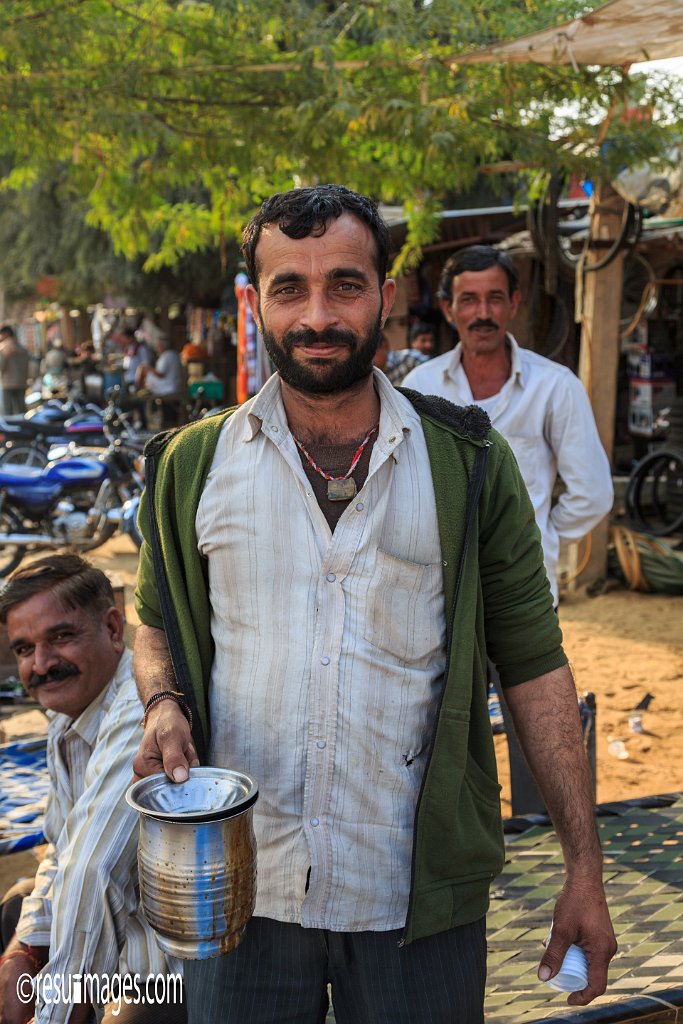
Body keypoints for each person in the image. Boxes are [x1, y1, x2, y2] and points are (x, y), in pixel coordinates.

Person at [132, 185, 616, 1024]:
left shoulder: (467, 465)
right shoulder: (192, 467)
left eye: (344, 285)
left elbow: (536, 671)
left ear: (385, 298)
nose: (317, 314)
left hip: (414, 901)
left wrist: (584, 868)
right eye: (290, 288)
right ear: (256, 304)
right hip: (245, 892)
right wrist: (163, 699)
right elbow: (151, 619)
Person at [0, 555, 184, 1024]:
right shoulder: (66, 722)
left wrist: (52, 1012)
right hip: (114, 952)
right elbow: (62, 849)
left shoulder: (137, 710)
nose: (41, 664)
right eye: (24, 650)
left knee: (132, 1013)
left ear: (113, 627)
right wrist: (22, 953)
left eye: (60, 637)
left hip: (164, 970)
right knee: (17, 908)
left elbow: (93, 871)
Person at [403, 245, 614, 606]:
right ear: (448, 309)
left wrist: (538, 537)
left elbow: (592, 494)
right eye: (468, 299)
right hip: (437, 590)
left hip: (524, 589)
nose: (482, 313)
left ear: (514, 304)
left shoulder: (554, 386)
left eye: (494, 298)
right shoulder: (420, 385)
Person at [0, 326, 30, 416]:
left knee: (8, 413)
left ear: (6, 334)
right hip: (21, 382)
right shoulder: (22, 348)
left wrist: (4, 356)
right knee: (21, 411)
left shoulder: (3, 348)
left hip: (7, 384)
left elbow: (1, 366)